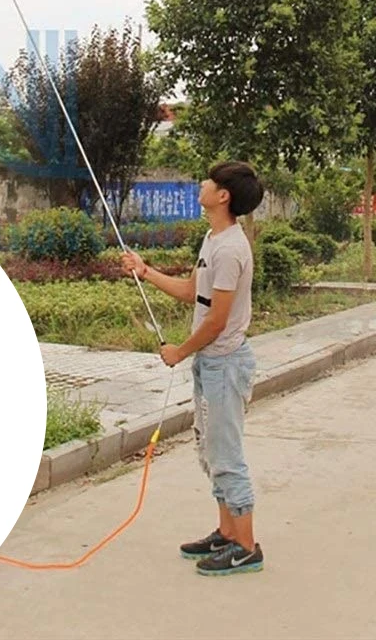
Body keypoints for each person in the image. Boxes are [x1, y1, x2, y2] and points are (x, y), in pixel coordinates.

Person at [121, 161, 265, 576]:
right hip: (210, 362)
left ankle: (246, 547)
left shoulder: (231, 249)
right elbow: (193, 292)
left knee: (227, 454)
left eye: (210, 181)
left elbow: (217, 320)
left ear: (223, 196)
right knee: (211, 451)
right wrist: (145, 272)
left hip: (225, 364)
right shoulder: (213, 238)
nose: (202, 183)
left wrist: (180, 352)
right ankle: (227, 532)